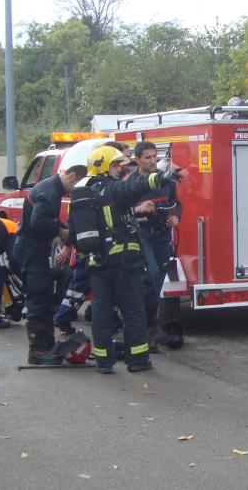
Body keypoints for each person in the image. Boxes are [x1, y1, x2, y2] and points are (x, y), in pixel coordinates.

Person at [79, 145, 181, 374]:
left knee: (102, 312)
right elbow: (137, 186)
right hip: (124, 262)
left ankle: (104, 362)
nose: (120, 168)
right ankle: (138, 360)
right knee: (133, 309)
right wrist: (162, 176)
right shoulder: (114, 190)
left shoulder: (82, 194)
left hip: (97, 265)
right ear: (105, 167)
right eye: (116, 165)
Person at [51, 141, 131, 334]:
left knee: (93, 285)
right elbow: (75, 220)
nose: (123, 166)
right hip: (92, 247)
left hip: (93, 245)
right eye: (118, 162)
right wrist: (70, 245)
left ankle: (88, 316)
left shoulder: (87, 184)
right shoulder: (92, 186)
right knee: (81, 283)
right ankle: (63, 316)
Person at [14, 164, 87, 365]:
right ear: (71, 176)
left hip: (35, 249)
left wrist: (67, 232)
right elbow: (39, 221)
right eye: (74, 187)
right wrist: (61, 232)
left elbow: (49, 219)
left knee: (45, 296)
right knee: (38, 298)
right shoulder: (49, 193)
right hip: (31, 250)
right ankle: (38, 351)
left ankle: (46, 344)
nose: (72, 191)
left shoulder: (51, 188)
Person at [129, 141, 183, 350]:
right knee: (150, 276)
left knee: (157, 282)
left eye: (154, 157)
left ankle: (149, 329)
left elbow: (177, 204)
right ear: (137, 159)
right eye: (147, 158)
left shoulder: (166, 181)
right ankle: (146, 328)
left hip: (162, 236)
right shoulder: (132, 183)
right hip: (142, 235)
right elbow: (118, 210)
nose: (152, 161)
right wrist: (139, 209)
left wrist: (175, 217)